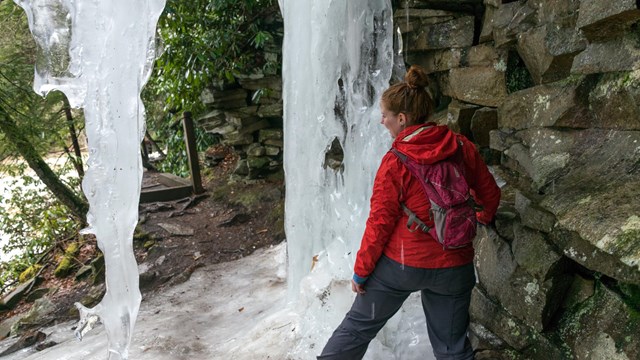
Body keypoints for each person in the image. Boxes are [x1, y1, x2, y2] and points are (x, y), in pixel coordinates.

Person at [318, 65, 501, 360]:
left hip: (401, 267)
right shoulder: (461, 146)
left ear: (401, 119)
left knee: (357, 329)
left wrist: (361, 272)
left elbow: (379, 223)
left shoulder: (394, 162)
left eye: (386, 116)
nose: (381, 121)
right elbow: (490, 195)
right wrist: (483, 218)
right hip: (454, 264)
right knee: (453, 349)